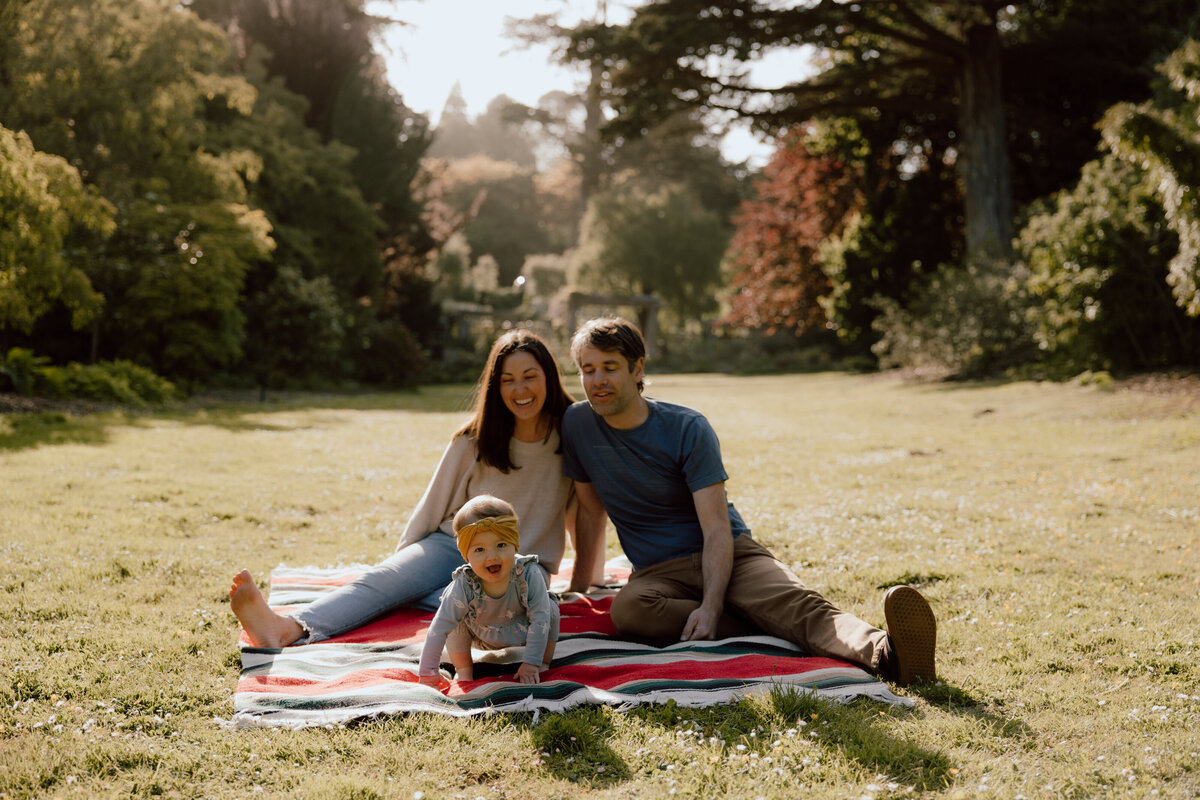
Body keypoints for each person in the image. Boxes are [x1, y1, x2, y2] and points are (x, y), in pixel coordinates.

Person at [562, 317, 937, 686]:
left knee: (798, 604)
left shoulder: (687, 428)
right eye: (588, 369)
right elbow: (591, 510)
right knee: (629, 610)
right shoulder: (578, 424)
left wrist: (710, 608)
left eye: (609, 368)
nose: (597, 381)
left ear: (637, 367)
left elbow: (715, 527)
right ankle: (763, 618)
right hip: (658, 572)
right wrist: (580, 585)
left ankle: (886, 653)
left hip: (731, 553)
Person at [230, 329, 603, 648]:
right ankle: (284, 628)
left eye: (529, 376)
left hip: (523, 564)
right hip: (450, 546)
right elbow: (432, 506)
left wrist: (583, 582)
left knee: (486, 607)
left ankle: (432, 597)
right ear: (496, 385)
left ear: (549, 378)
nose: (519, 389)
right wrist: (399, 569)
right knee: (384, 583)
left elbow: (586, 510)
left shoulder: (570, 433)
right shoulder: (473, 440)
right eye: (508, 379)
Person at [418, 495, 559, 687]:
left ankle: (542, 662)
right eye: (479, 549)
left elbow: (539, 619)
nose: (491, 556)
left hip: (524, 630)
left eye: (501, 545)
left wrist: (531, 663)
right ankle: (464, 670)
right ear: (465, 553)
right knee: (453, 617)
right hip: (480, 633)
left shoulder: (528, 573)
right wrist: (427, 672)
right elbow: (440, 626)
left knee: (549, 608)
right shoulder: (465, 583)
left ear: (514, 543)